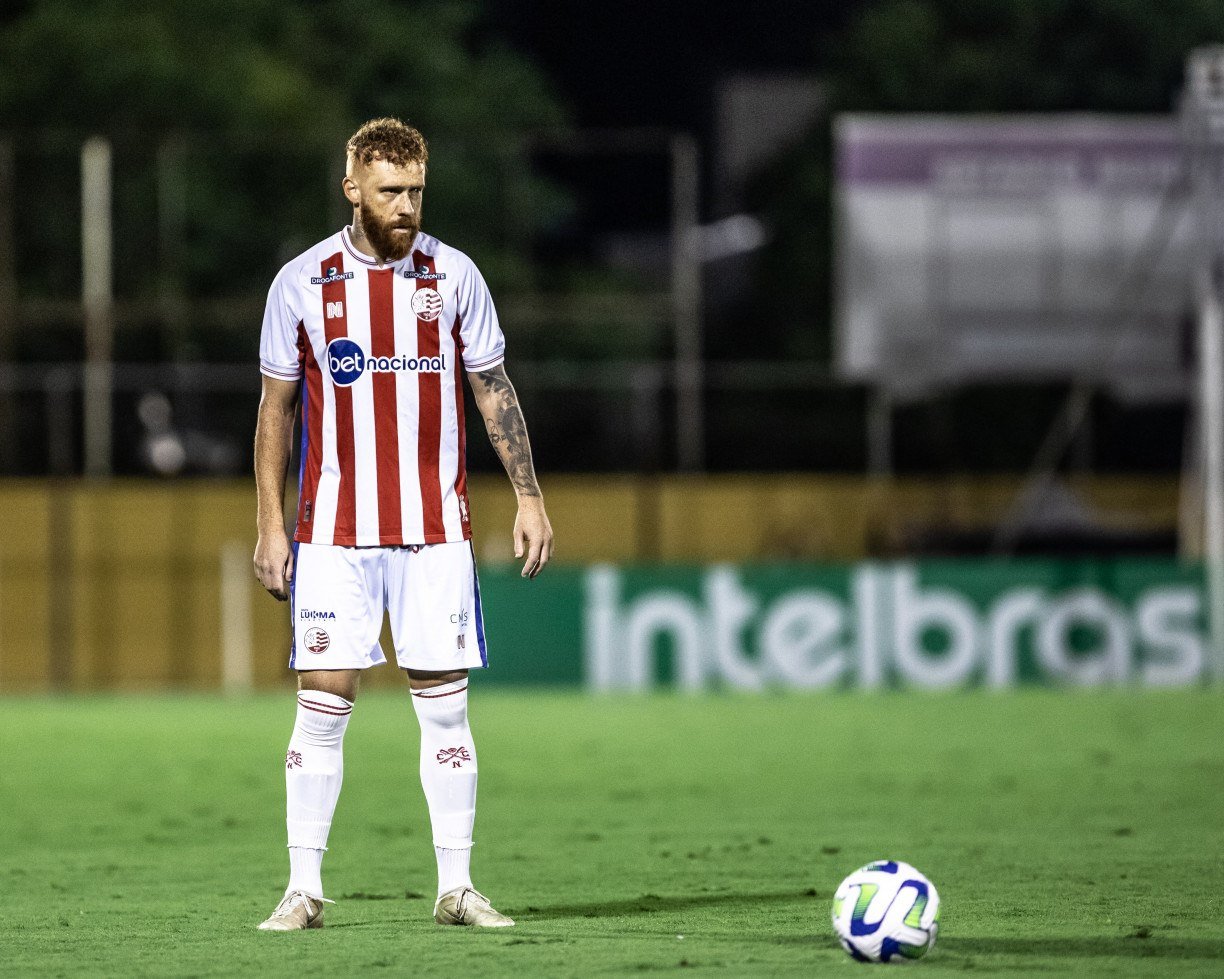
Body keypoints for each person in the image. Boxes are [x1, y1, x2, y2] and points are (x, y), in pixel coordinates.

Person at [251, 117, 553, 932]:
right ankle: (302, 889)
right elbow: (276, 411)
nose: (406, 205)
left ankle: (457, 887)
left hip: (434, 533)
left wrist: (528, 496)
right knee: (323, 704)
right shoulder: (303, 282)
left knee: (445, 707)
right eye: (389, 191)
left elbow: (493, 387)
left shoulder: (453, 275)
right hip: (333, 534)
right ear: (352, 188)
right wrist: (269, 525)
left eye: (416, 190)